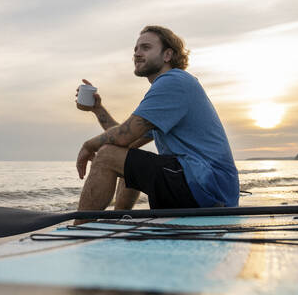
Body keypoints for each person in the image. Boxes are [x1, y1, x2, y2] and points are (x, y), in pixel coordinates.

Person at [74, 25, 239, 224]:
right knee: (125, 157)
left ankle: (79, 228)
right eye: (135, 49)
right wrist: (98, 109)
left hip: (205, 188)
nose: (137, 54)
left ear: (167, 54)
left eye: (145, 47)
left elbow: (123, 135)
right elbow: (128, 139)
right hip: (208, 189)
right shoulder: (172, 88)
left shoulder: (173, 82)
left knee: (107, 155)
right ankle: (119, 220)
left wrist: (88, 146)